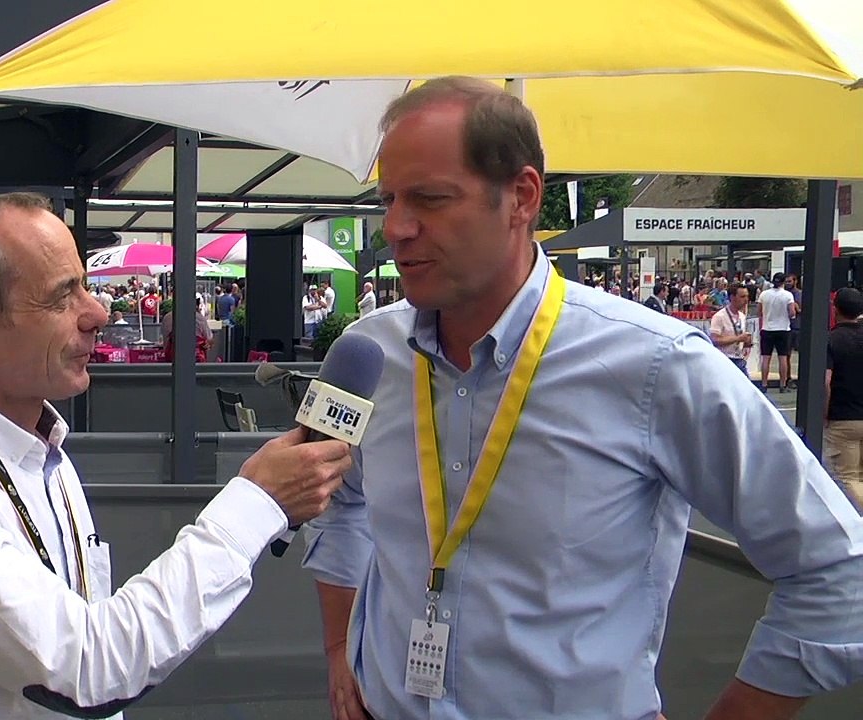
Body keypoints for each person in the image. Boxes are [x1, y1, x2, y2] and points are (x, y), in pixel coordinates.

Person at [302, 77, 863, 720]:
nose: (396, 228)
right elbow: (334, 502)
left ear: (521, 197)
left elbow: (838, 570)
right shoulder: (367, 351)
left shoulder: (656, 365)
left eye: (429, 198)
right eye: (390, 199)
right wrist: (339, 648)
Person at [0, 193, 353, 720]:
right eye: (62, 297)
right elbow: (89, 668)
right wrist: (256, 503)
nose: (98, 312)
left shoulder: (43, 452)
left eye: (85, 285)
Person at [826, 287, 863, 510]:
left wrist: (824, 414)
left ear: (835, 308)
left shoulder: (832, 339)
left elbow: (826, 382)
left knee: (847, 478)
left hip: (843, 415)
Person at [757, 272, 797, 393]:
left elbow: (759, 312)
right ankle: (782, 384)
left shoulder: (764, 294)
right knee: (783, 357)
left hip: (767, 328)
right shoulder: (788, 295)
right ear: (783, 282)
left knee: (766, 358)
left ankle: (764, 384)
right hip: (783, 329)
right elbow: (792, 313)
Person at [709, 283, 753, 376]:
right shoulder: (719, 316)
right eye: (742, 296)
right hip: (724, 360)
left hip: (739, 359)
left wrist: (747, 342)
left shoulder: (742, 316)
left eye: (747, 296)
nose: (746, 300)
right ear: (732, 297)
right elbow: (714, 340)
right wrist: (738, 338)